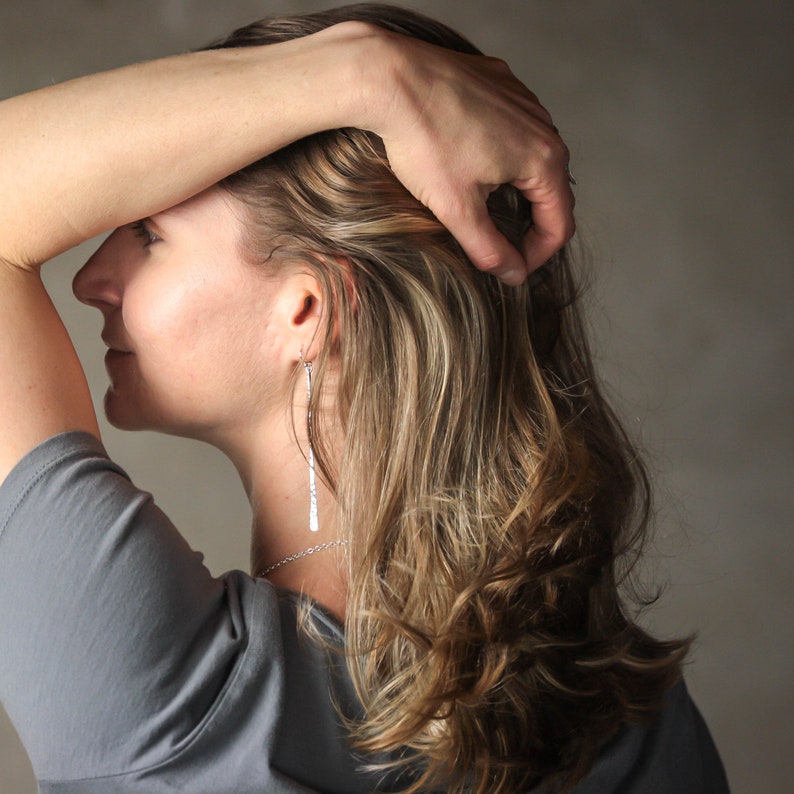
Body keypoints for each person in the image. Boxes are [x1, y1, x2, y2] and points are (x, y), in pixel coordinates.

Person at [0, 4, 728, 793]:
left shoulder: (159, 687)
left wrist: (362, 72)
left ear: (308, 308)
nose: (88, 279)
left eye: (147, 234)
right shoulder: (641, 719)